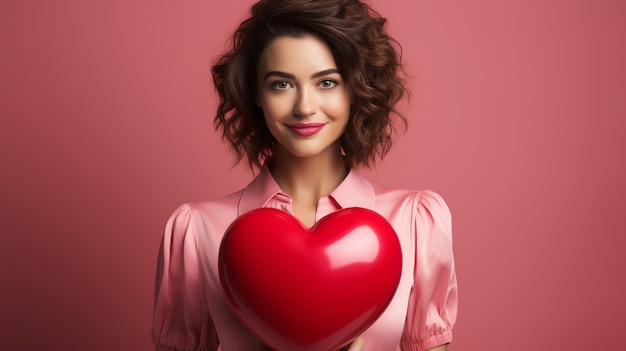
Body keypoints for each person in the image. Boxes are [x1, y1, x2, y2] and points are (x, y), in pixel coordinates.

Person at [151, 0, 458, 350]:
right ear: (256, 93)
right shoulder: (197, 231)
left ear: (354, 88)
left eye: (326, 82)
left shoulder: (415, 223)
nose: (305, 107)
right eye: (282, 84)